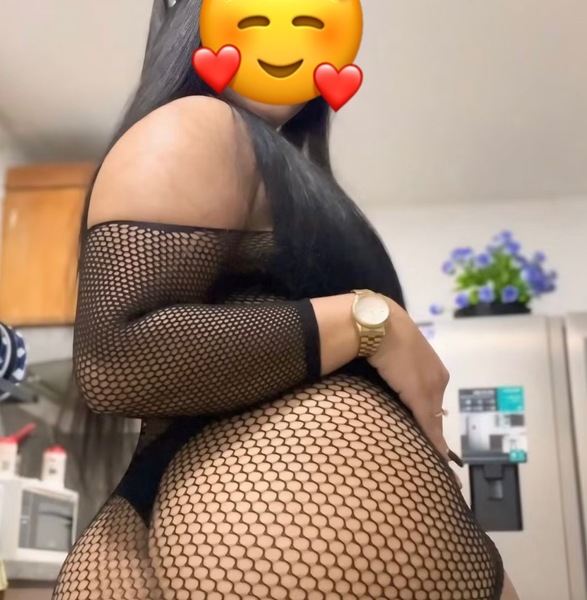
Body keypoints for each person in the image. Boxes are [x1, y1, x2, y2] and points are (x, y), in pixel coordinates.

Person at [53, 2, 520, 599]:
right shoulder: (202, 125)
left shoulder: (250, 153)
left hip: (196, 503)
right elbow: (117, 360)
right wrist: (366, 321)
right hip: (290, 491)